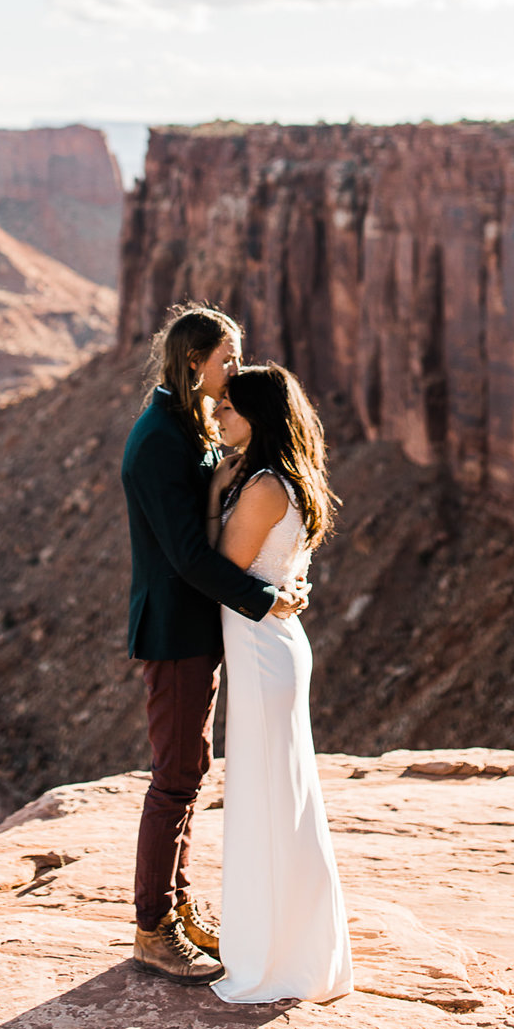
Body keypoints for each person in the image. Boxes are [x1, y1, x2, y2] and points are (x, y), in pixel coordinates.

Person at [118, 303, 309, 984]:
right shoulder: (160, 442)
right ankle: (152, 926)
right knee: (174, 774)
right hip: (175, 631)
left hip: (197, 628)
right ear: (195, 361)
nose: (235, 371)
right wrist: (267, 599)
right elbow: (189, 558)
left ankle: (177, 904)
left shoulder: (184, 423)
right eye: (228, 358)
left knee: (189, 767)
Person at [208, 362, 354, 1003]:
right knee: (282, 803)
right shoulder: (282, 477)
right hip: (273, 648)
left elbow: (221, 569)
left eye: (229, 410)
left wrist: (213, 492)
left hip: (265, 654)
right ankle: (294, 949)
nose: (217, 418)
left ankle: (272, 961)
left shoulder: (265, 485)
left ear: (257, 418)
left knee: (267, 804)